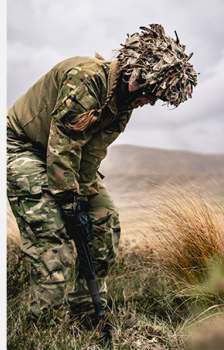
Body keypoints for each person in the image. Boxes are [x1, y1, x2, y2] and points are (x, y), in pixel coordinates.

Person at [6, 24, 198, 332]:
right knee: (52, 235)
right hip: (21, 146)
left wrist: (83, 203)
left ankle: (87, 313)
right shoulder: (85, 80)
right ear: (134, 76)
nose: (149, 101)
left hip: (61, 156)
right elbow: (64, 145)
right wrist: (69, 204)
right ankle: (44, 325)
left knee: (104, 219)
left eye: (157, 97)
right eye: (150, 92)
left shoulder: (123, 106)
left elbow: (90, 156)